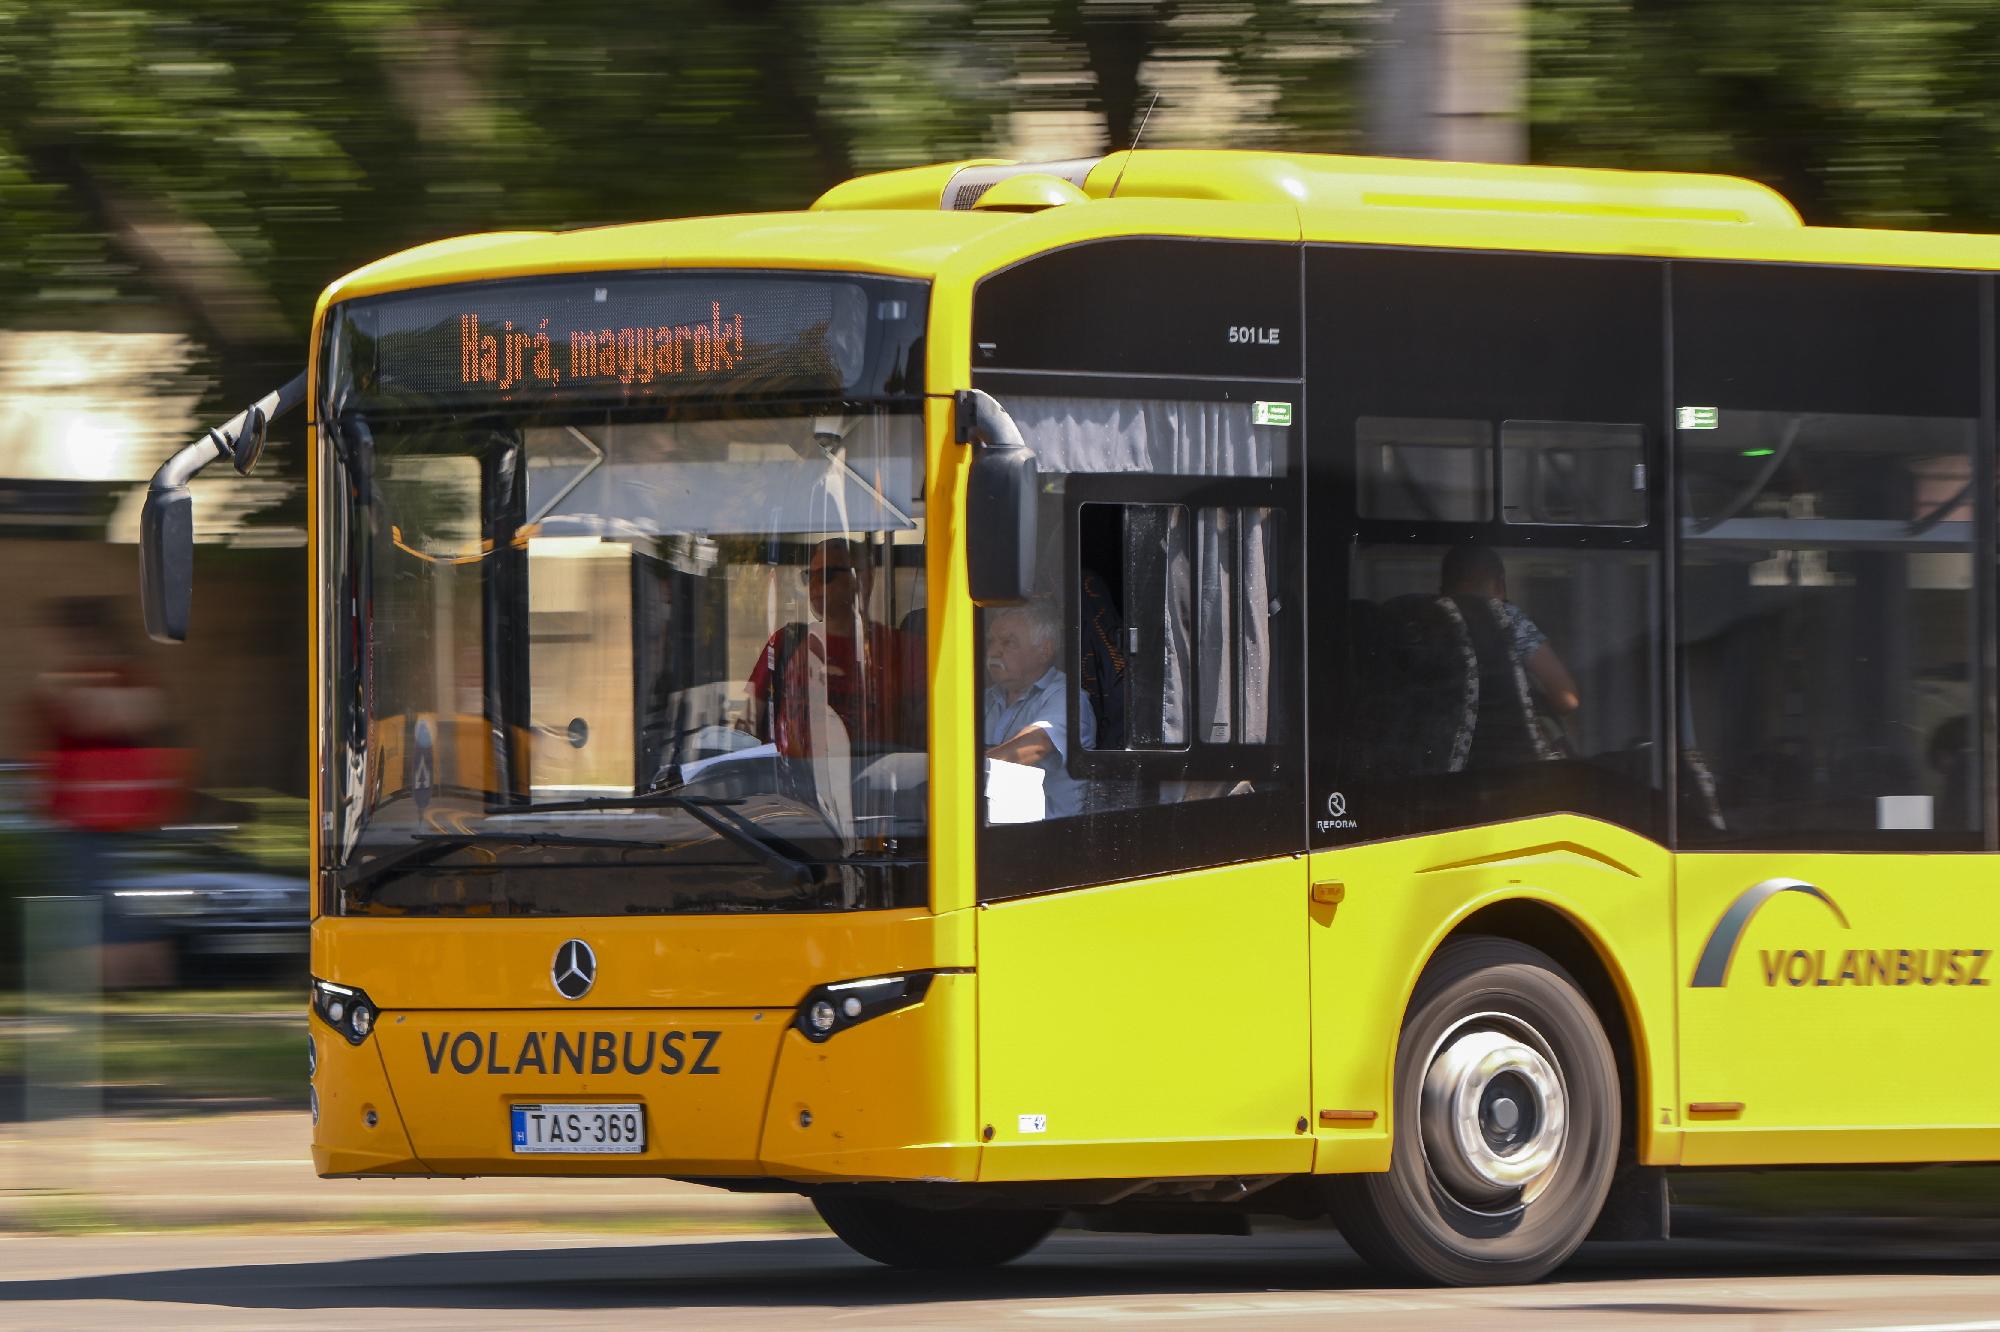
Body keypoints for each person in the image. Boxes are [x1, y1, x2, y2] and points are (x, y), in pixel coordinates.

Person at [745, 537, 903, 756]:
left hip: (872, 782)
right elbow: (747, 725)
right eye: (811, 576)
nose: (815, 586)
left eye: (827, 576)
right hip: (788, 783)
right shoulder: (785, 642)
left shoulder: (899, 649)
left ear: (862, 579)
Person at [984, 601, 1095, 820]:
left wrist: (961, 772)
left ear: (1044, 651)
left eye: (1008, 642)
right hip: (985, 827)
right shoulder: (985, 699)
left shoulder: (1067, 697)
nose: (994, 651)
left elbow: (1034, 746)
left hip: (1048, 836)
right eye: (992, 642)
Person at [1440, 544, 1580, 717]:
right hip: (1507, 742)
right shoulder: (1510, 620)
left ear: (1442, 587)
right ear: (1500, 585)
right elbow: (1567, 699)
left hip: (1439, 742)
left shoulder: (1427, 620)